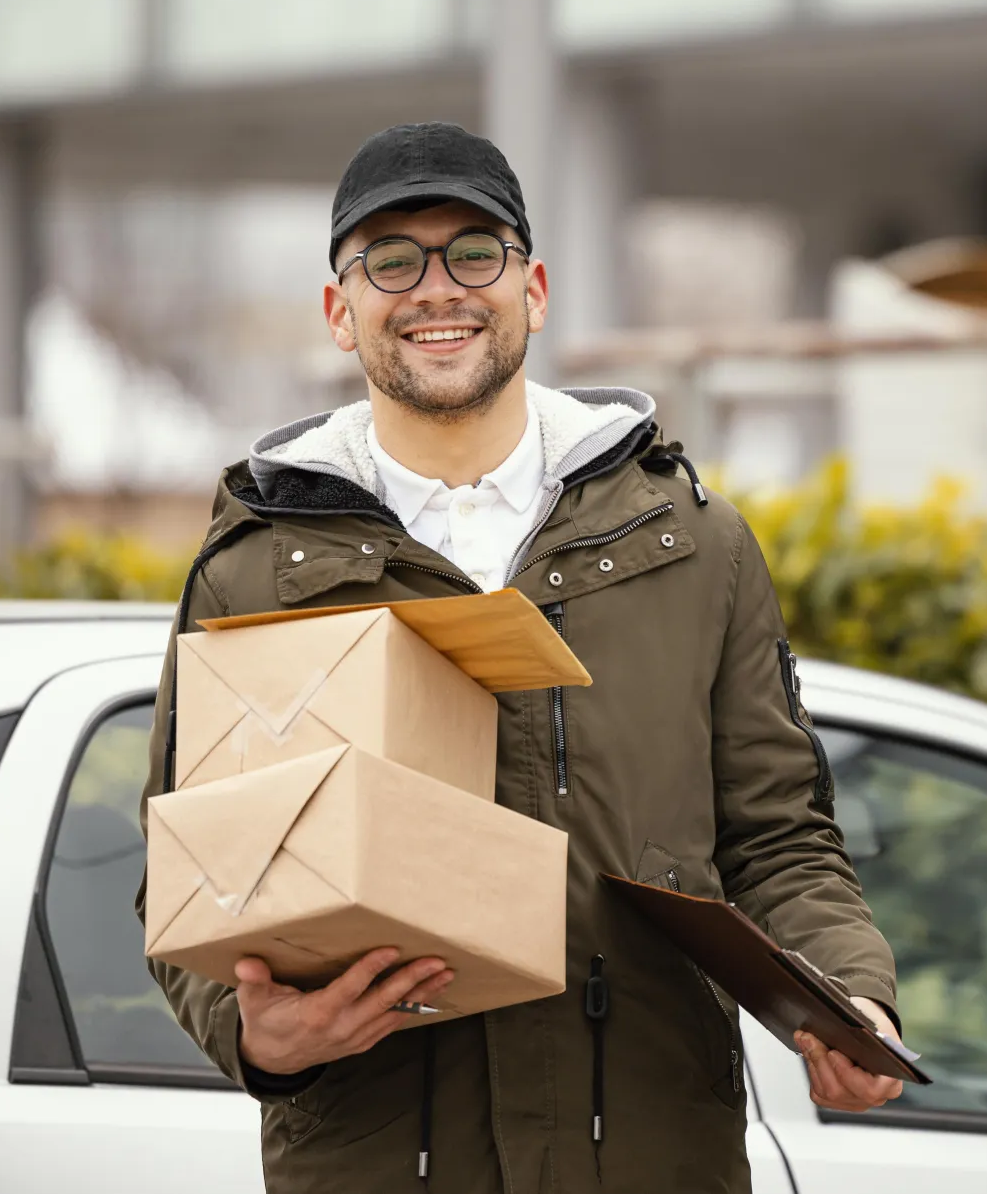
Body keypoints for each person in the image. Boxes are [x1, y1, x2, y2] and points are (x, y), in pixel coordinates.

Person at [138, 122, 902, 1194]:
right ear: (340, 310)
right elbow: (189, 873)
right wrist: (259, 1036)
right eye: (391, 261)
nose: (436, 289)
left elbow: (778, 835)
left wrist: (851, 996)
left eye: (474, 253)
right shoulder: (254, 568)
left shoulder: (693, 545)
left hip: (649, 1163)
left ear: (533, 289)